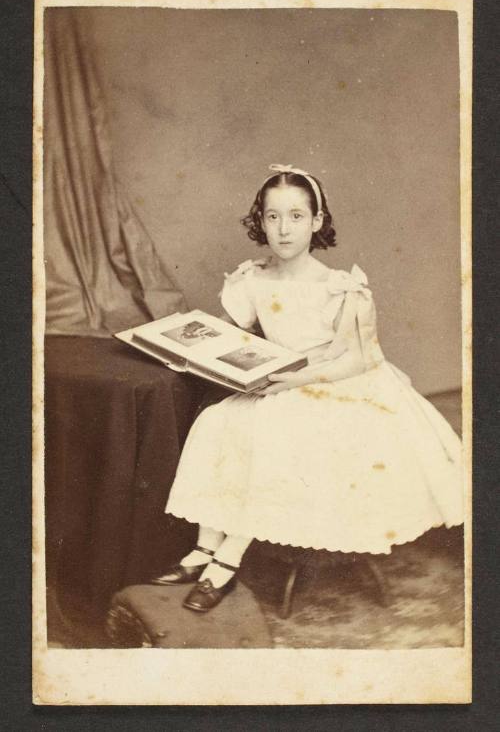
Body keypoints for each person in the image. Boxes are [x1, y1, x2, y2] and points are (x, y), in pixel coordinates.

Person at [152, 163, 463, 613]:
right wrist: (188, 352)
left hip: (336, 385)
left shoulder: (339, 288)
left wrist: (296, 380)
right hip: (278, 380)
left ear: (317, 221)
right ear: (260, 221)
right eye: (273, 216)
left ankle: (226, 561)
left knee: (275, 435)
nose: (284, 229)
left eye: (296, 216)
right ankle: (202, 548)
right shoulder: (252, 279)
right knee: (218, 421)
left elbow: (360, 359)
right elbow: (226, 337)